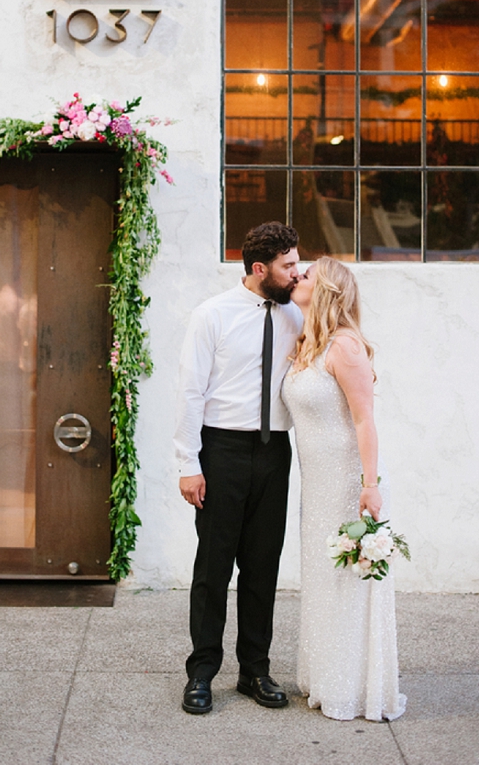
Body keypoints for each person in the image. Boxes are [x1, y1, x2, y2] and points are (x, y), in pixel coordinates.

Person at [175, 222, 304, 714]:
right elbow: (190, 391)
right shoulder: (212, 315)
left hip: (276, 452)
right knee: (213, 567)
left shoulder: (297, 314)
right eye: (288, 265)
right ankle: (202, 673)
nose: (298, 272)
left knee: (262, 566)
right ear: (259, 269)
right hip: (221, 450)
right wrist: (189, 464)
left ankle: (255, 670)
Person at [282, 257, 406, 721]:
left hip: (350, 482)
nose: (298, 277)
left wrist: (369, 485)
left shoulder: (346, 347)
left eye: (307, 274)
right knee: (323, 579)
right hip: (316, 485)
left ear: (328, 289)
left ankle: (355, 688)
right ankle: (327, 676)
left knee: (349, 583)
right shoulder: (308, 344)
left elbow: (364, 419)